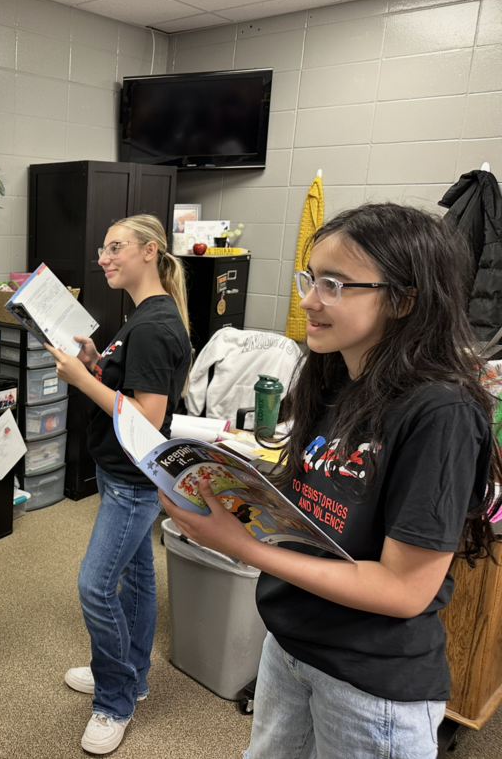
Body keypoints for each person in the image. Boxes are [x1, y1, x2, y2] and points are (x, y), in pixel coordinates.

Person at [163, 203, 502, 759]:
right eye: (309, 278)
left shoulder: (440, 412)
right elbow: (317, 505)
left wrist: (242, 547)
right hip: (293, 645)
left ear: (404, 299)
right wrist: (211, 487)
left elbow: (403, 590)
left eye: (334, 284)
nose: (308, 300)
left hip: (371, 682)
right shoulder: (337, 373)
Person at [44, 214, 192, 754]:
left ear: (150, 252)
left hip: (132, 479)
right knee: (136, 578)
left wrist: (82, 380)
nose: (104, 258)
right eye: (102, 249)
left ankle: (115, 700)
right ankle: (133, 675)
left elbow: (147, 419)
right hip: (121, 470)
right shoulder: (145, 316)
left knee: (94, 585)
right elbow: (129, 387)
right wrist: (96, 365)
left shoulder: (153, 325)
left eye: (116, 248)